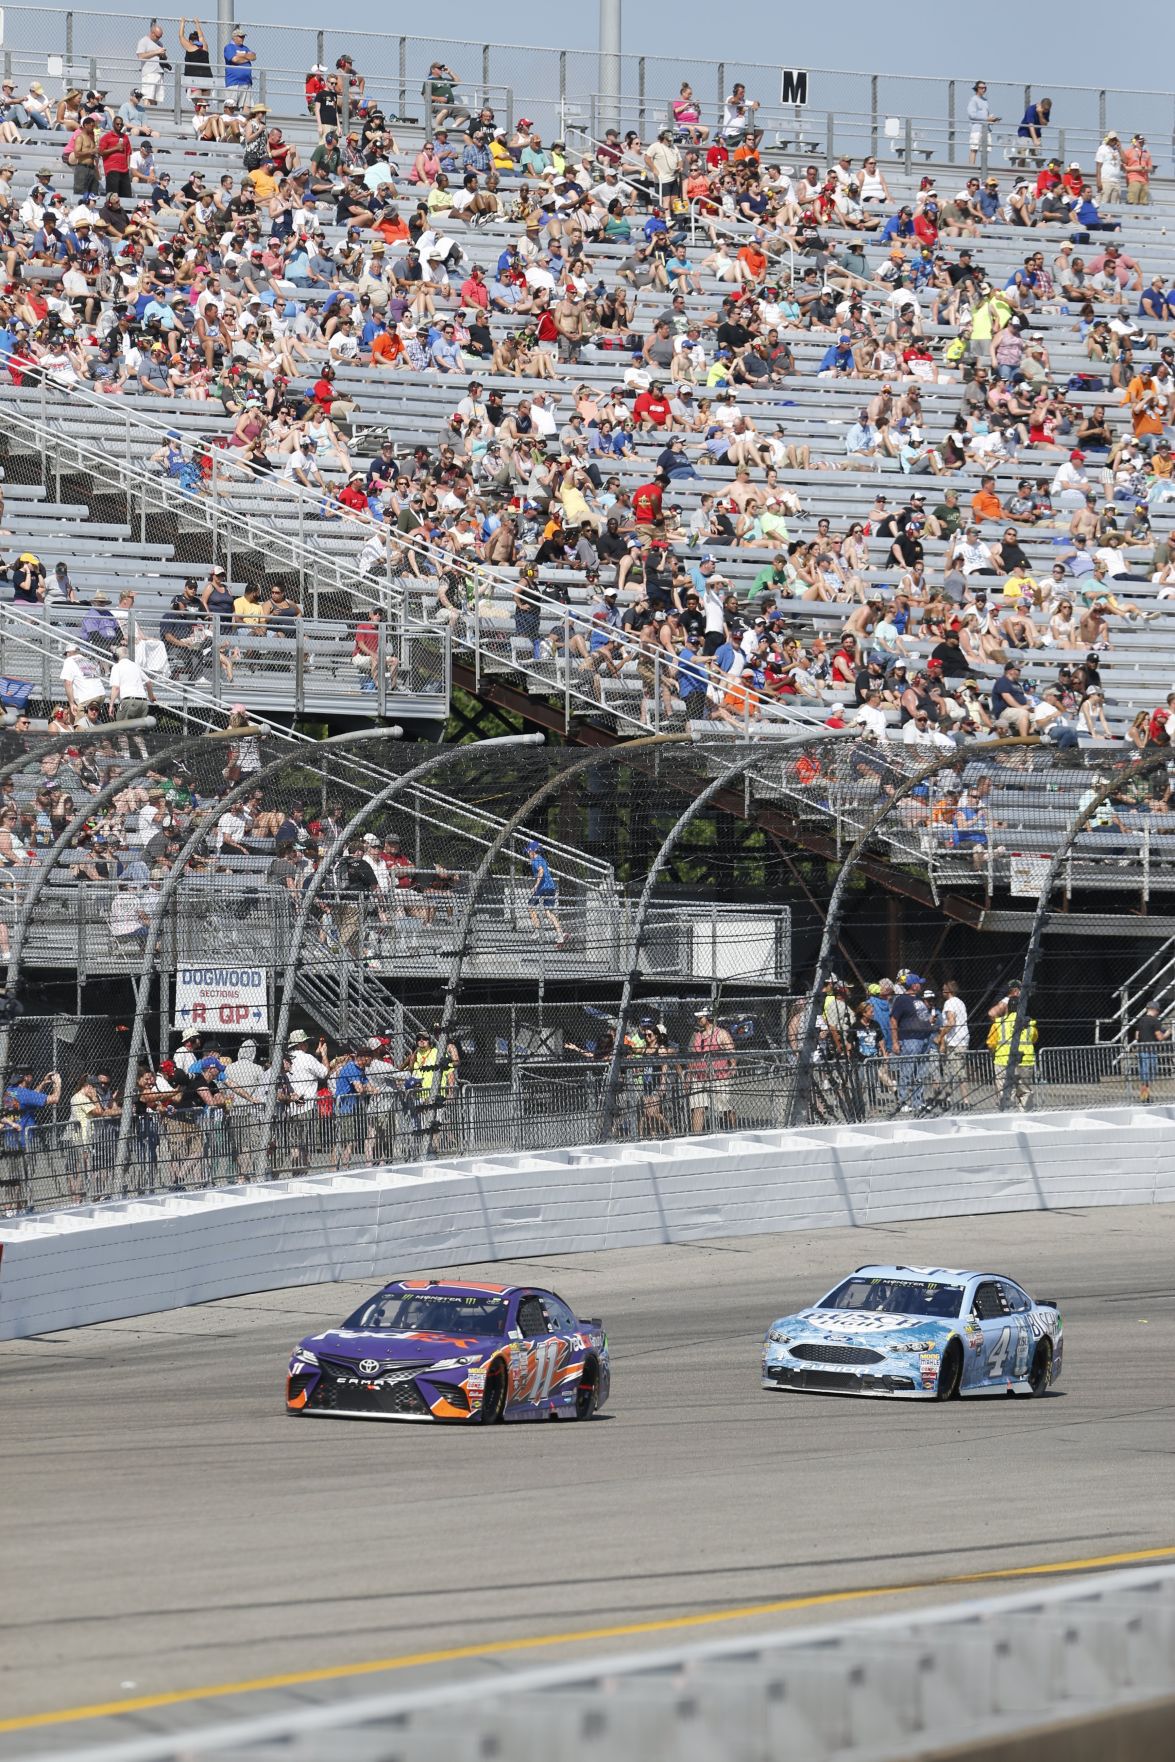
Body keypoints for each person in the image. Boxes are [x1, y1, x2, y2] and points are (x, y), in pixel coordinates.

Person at [890, 975, 935, 1113]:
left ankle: (918, 1101)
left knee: (920, 1073)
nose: (921, 986)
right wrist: (895, 1042)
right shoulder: (902, 1000)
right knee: (907, 1071)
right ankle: (902, 1101)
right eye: (919, 983)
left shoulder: (918, 999)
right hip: (910, 1039)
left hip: (924, 1039)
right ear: (913, 985)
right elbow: (893, 1020)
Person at [687, 1007, 736, 1133]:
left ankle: (734, 1130)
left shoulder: (720, 1033)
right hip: (699, 1077)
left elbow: (730, 1051)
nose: (698, 1020)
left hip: (719, 1077)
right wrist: (689, 1076)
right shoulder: (695, 1035)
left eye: (700, 1017)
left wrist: (733, 1066)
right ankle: (696, 1139)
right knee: (698, 1108)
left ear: (708, 1017)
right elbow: (691, 1056)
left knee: (724, 1108)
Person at [524, 837, 565, 949]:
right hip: (551, 887)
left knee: (530, 906)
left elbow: (541, 871)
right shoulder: (541, 859)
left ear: (533, 851)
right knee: (548, 912)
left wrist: (536, 886)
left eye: (528, 851)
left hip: (542, 888)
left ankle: (537, 930)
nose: (528, 853)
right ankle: (560, 934)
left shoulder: (536, 860)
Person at [1134, 1001, 1167, 1104]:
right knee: (1150, 1074)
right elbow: (1160, 1037)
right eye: (1158, 1011)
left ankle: (1145, 1096)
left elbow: (1137, 1036)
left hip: (1142, 1050)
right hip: (1151, 1051)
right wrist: (1168, 1033)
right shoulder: (1155, 1021)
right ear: (1155, 1010)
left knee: (1145, 1075)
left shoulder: (1141, 1021)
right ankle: (1145, 1097)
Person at [223, 24, 256, 92]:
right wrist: (247, 57)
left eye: (243, 37)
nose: (243, 38)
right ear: (234, 37)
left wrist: (241, 55)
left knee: (246, 103)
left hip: (246, 82)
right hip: (233, 83)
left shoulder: (245, 48)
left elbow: (253, 56)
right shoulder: (229, 47)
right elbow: (235, 59)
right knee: (232, 102)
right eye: (240, 37)